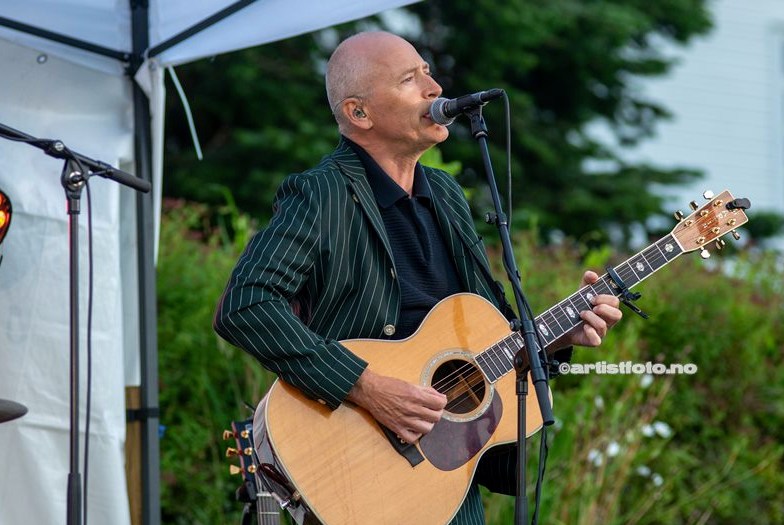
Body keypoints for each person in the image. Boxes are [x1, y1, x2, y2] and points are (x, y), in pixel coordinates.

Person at [214, 31, 623, 524]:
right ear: (358, 113)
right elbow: (246, 305)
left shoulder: (446, 194)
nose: (434, 89)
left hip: (446, 480)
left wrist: (555, 340)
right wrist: (365, 386)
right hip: (354, 470)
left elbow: (480, 342)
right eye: (410, 79)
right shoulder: (321, 194)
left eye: (428, 71)